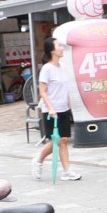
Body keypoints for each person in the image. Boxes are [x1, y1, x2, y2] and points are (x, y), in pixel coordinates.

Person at [34, 36, 80, 181]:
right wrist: (51, 108)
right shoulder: (47, 69)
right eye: (58, 45)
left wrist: (69, 105)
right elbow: (42, 91)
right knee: (56, 141)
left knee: (63, 140)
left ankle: (66, 171)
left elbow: (64, 89)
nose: (61, 48)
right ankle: (38, 160)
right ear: (52, 51)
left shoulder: (61, 67)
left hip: (64, 108)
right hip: (51, 111)